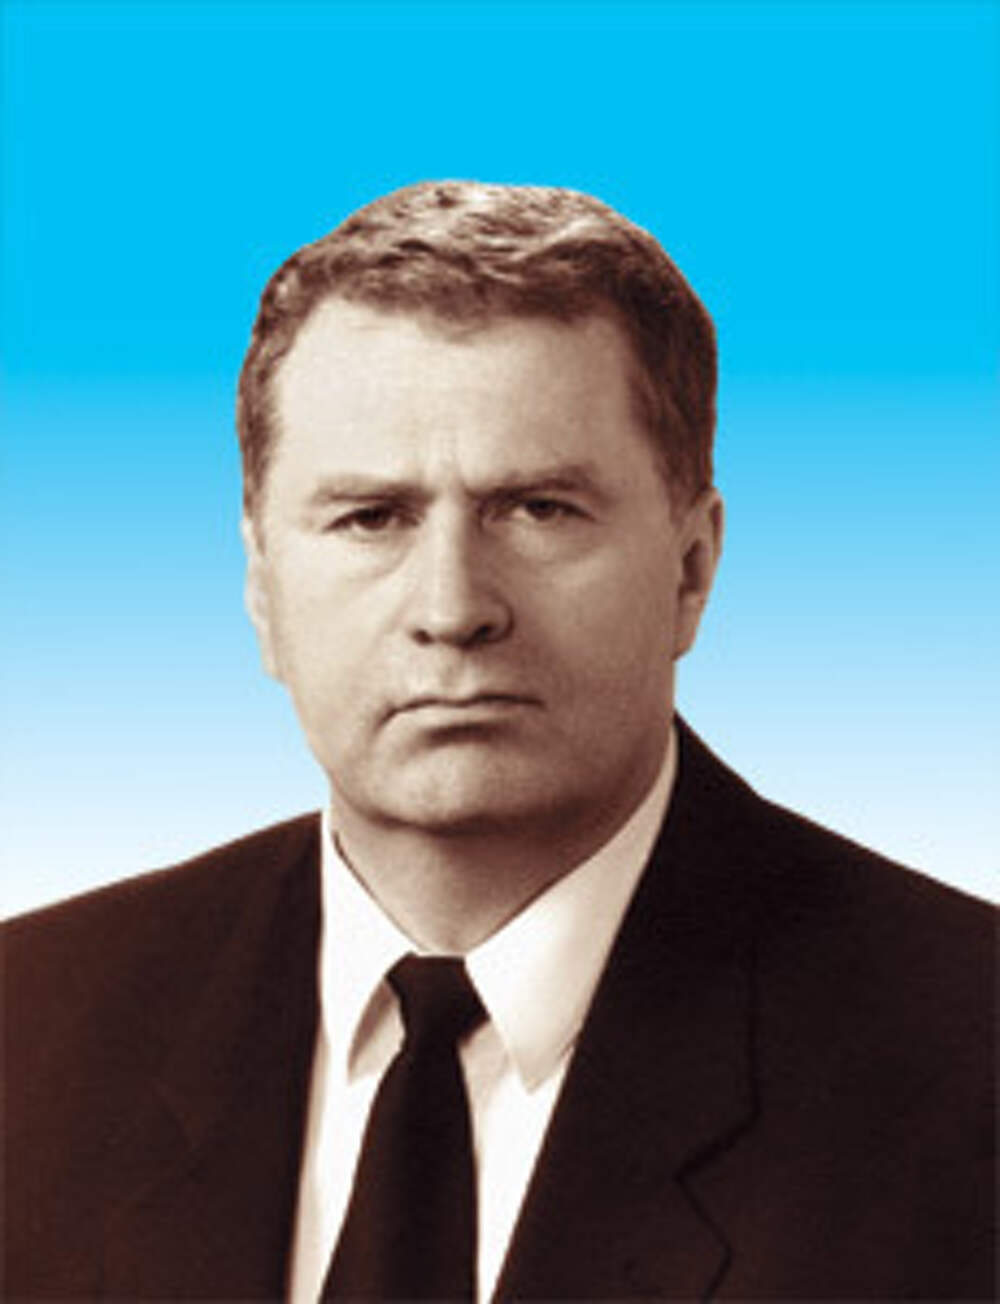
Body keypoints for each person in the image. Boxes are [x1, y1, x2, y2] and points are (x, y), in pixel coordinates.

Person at [3, 181, 994, 1302]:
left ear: (691, 568)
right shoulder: (25, 1028)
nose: (453, 606)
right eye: (371, 517)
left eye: (538, 509)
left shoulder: (969, 1062)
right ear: (262, 587)